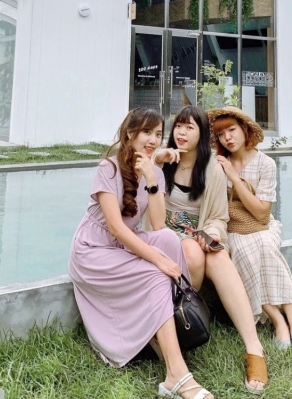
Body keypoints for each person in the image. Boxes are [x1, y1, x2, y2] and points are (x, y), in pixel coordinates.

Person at [68, 107, 214, 399]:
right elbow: (116, 228)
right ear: (130, 134)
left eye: (158, 134)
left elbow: (158, 224)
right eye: (146, 132)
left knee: (168, 239)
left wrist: (151, 177)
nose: (153, 140)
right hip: (94, 251)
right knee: (157, 273)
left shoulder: (154, 171)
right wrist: (160, 262)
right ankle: (176, 375)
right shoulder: (108, 169)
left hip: (124, 245)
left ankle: (171, 324)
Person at [151, 106, 268, 395]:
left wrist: (212, 234)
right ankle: (183, 321)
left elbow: (217, 217)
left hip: (199, 235)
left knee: (216, 255)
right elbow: (140, 187)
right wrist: (156, 161)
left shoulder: (212, 168)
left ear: (202, 134)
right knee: (192, 251)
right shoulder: (163, 160)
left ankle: (254, 347)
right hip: (163, 235)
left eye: (190, 127)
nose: (181, 132)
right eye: (179, 126)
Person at [208, 106, 292, 354]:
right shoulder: (217, 163)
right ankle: (278, 320)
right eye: (221, 134)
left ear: (244, 129)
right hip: (232, 229)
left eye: (231, 130)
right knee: (243, 251)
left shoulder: (265, 164)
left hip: (261, 225)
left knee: (264, 245)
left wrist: (234, 177)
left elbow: (261, 213)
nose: (227, 138)